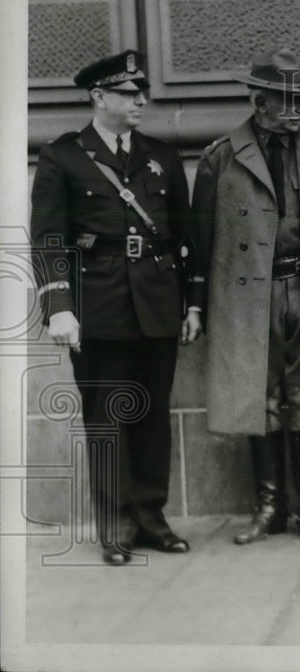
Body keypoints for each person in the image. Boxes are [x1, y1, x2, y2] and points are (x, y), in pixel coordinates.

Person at [31, 50, 198, 565]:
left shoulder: (162, 157)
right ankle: (116, 525)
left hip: (156, 303)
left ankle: (152, 519)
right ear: (98, 97)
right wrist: (59, 306)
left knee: (152, 418)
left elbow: (184, 237)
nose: (140, 100)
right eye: (128, 93)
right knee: (106, 419)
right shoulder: (64, 156)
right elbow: (48, 239)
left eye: (141, 92)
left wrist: (192, 305)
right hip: (97, 306)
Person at [189, 48, 300, 545]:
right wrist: (197, 304)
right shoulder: (220, 157)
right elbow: (200, 243)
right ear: (259, 101)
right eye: (288, 100)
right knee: (257, 397)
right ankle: (269, 505)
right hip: (245, 301)